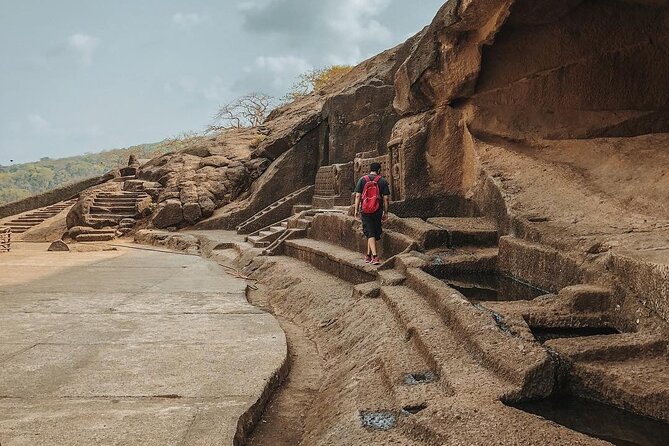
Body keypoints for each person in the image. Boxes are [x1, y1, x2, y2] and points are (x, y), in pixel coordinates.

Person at [353, 162, 391, 265]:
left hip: (365, 210)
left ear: (370, 169)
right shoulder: (382, 181)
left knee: (370, 232)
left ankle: (374, 257)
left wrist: (356, 210)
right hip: (377, 209)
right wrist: (386, 212)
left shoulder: (363, 180)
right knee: (372, 231)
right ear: (379, 170)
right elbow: (386, 198)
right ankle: (369, 255)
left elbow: (358, 196)